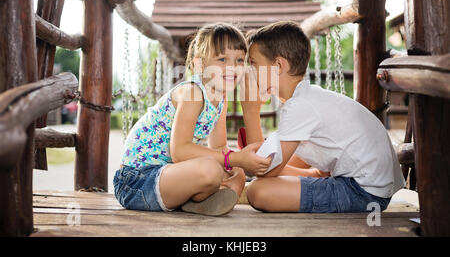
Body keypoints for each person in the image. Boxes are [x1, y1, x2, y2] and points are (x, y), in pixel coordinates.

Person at [241, 21, 405, 213]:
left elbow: (263, 169)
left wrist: (250, 111)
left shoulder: (299, 106)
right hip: (371, 187)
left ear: (278, 65)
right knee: (272, 174)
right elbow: (280, 167)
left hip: (364, 193)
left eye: (252, 63)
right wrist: (268, 168)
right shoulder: (308, 98)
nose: (248, 71)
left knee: (258, 191)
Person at [113, 22, 271, 216]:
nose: (233, 68)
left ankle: (196, 202)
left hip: (168, 175)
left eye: (239, 60)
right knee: (212, 169)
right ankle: (200, 196)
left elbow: (219, 146)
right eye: (222, 59)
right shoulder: (192, 93)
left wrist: (237, 166)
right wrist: (235, 158)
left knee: (237, 173)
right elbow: (180, 151)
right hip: (136, 181)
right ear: (199, 65)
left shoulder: (220, 97)